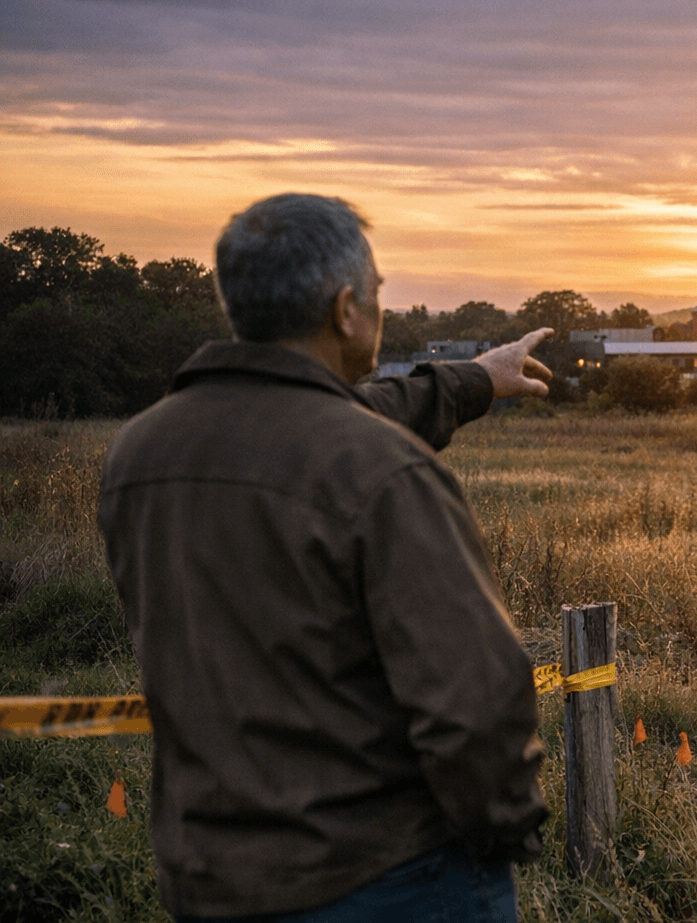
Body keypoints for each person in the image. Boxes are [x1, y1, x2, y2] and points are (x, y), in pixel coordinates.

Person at [99, 194, 554, 922]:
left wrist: (474, 378)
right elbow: (475, 706)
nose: (379, 307)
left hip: (211, 877)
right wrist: (503, 830)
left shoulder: (142, 452)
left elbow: (311, 423)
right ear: (347, 308)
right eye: (377, 293)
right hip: (391, 880)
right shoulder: (383, 473)